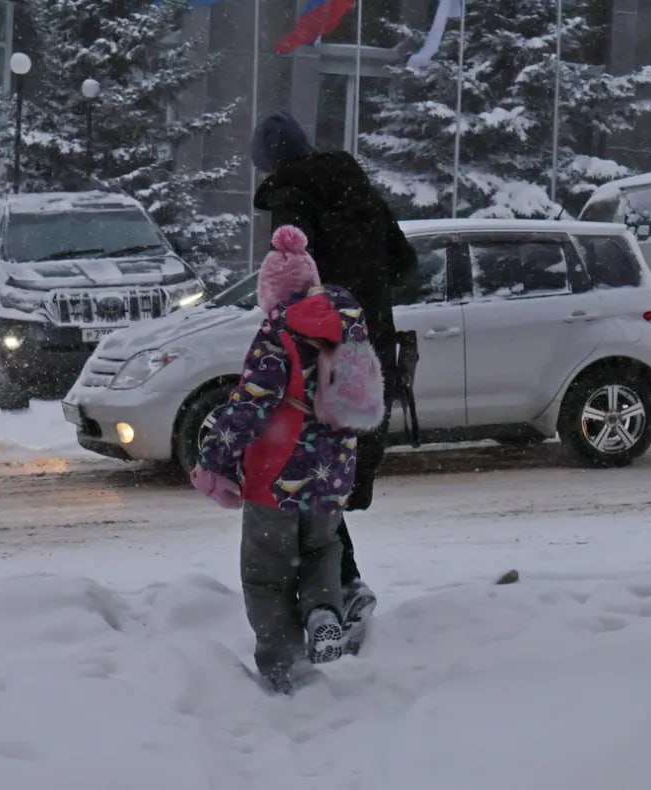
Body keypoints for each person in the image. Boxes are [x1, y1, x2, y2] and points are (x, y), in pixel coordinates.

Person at [190, 225, 384, 694]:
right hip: (334, 469)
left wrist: (214, 457)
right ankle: (322, 613)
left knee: (266, 573)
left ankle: (284, 670)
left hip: (276, 473)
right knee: (322, 550)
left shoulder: (278, 332)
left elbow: (251, 404)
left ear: (271, 290)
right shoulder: (349, 319)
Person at [250, 110, 418, 649]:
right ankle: (337, 590)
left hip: (319, 355)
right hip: (370, 353)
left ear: (269, 164)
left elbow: (294, 281)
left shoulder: (291, 198)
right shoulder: (355, 187)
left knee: (304, 471)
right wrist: (361, 300)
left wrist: (320, 314)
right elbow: (404, 261)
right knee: (334, 473)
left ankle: (339, 592)